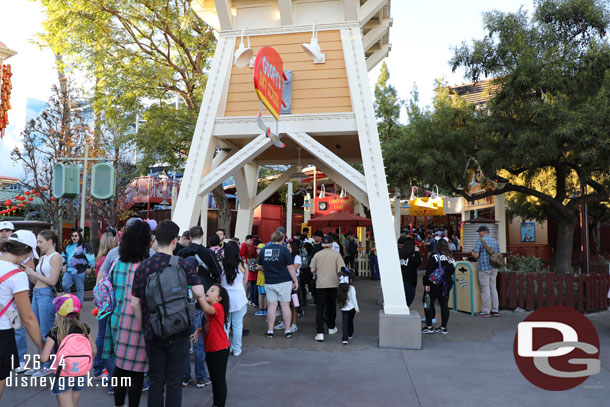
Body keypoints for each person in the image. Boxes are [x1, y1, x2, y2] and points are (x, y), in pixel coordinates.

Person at [131, 220, 205, 407]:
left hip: (153, 331)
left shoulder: (143, 268)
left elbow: (135, 303)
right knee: (174, 382)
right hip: (179, 330)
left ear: (156, 240)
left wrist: (146, 325)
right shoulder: (182, 264)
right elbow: (199, 293)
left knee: (156, 381)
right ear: (174, 241)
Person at [102, 219, 152, 407]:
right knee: (136, 370)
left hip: (117, 319)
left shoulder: (117, 263)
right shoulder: (146, 266)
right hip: (138, 321)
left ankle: (118, 404)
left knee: (120, 367)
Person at [0, 231, 44, 400]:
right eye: (28, 254)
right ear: (25, 249)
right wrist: (41, 345)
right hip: (2, 335)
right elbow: (28, 318)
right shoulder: (17, 275)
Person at [177, 225, 219, 388]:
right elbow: (217, 271)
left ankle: (185, 376)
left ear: (189, 237)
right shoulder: (207, 253)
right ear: (202, 236)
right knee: (199, 339)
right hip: (201, 299)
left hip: (182, 300)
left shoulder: (180, 253)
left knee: (185, 341)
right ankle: (201, 376)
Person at [41, 293, 95, 407]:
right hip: (81, 372)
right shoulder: (84, 328)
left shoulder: (55, 332)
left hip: (63, 373)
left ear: (58, 313)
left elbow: (44, 358)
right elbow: (94, 350)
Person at [22, 230, 62, 376]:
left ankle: (49, 364)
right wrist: (29, 272)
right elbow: (37, 280)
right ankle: (43, 363)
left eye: (40, 242)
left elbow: (53, 281)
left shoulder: (56, 257)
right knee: (36, 331)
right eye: (37, 242)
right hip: (38, 294)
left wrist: (33, 273)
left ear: (50, 241)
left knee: (46, 331)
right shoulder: (44, 257)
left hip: (46, 295)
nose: (38, 245)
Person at [192, 284, 230, 407]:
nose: (208, 291)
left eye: (212, 291)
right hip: (211, 349)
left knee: (219, 380)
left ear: (219, 298)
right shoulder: (209, 308)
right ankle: (216, 404)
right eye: (208, 289)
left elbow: (208, 309)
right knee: (214, 379)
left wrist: (199, 296)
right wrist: (200, 331)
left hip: (220, 349)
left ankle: (219, 404)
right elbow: (211, 326)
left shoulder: (217, 307)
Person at [257, 231, 298, 339]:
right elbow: (290, 267)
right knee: (285, 305)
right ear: (282, 239)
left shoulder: (264, 250)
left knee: (272, 306)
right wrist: (295, 281)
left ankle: (270, 331)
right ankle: (287, 330)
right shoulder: (284, 250)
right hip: (284, 281)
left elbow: (259, 266)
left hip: (270, 281)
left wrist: (268, 270)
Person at [92, 227, 118, 381]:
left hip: (101, 300)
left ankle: (98, 366)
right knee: (103, 334)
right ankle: (99, 366)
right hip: (107, 301)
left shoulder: (100, 258)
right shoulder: (109, 259)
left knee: (102, 333)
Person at [310, 235, 345, 341]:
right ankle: (331, 327)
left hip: (320, 284)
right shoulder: (336, 255)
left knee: (320, 308)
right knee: (331, 306)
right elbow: (341, 269)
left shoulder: (317, 255)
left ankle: (320, 332)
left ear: (322, 244)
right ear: (331, 244)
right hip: (333, 284)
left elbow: (312, 270)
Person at [219, 241, 248, 356]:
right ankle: (236, 349)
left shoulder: (221, 264)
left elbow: (219, 281)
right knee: (237, 324)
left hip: (225, 297)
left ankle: (225, 347)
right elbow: (245, 282)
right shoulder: (243, 265)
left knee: (226, 324)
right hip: (239, 297)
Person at [422, 239, 456, 335]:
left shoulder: (434, 256)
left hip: (434, 283)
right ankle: (443, 327)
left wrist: (427, 284)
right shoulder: (451, 257)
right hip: (446, 284)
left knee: (428, 302)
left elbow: (428, 271)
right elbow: (452, 271)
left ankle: (429, 326)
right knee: (444, 305)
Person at [470, 225, 501, 318]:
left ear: (484, 232)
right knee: (493, 288)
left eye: (479, 232)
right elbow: (498, 253)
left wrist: (471, 252)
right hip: (494, 267)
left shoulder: (480, 240)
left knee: (485, 289)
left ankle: (486, 311)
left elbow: (475, 256)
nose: (479, 234)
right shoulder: (495, 241)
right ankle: (495, 310)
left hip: (484, 268)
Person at [62, 229, 95, 303]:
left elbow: (90, 256)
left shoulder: (84, 245)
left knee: (79, 289)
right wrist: (63, 265)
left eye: (76, 236)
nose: (74, 237)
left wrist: (89, 267)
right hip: (69, 270)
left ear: (79, 236)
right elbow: (63, 255)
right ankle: (69, 301)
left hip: (81, 270)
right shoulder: (68, 246)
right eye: (72, 236)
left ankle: (79, 304)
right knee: (65, 285)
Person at [275, 240, 301, 333]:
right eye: (287, 246)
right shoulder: (284, 256)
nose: (288, 248)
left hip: (294, 282)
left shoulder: (297, 257)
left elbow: (293, 269)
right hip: (284, 281)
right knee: (283, 303)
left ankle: (294, 324)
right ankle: (284, 322)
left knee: (294, 304)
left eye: (290, 247)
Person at [337, 269, 359, 344]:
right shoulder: (351, 288)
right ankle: (350, 333)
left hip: (344, 308)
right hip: (352, 308)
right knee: (350, 321)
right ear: (350, 280)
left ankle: (344, 338)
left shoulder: (340, 288)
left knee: (344, 322)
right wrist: (357, 308)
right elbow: (353, 299)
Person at [398, 236, 422, 306]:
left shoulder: (399, 256)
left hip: (400, 280)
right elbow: (418, 262)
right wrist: (417, 252)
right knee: (408, 301)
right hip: (410, 281)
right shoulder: (411, 259)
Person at [240, 235, 258, 307]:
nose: (251, 242)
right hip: (246, 266)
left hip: (247, 266)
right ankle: (246, 297)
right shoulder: (244, 245)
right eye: (250, 240)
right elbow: (242, 255)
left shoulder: (247, 246)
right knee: (247, 284)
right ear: (246, 240)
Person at [254, 244, 267, 317]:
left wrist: (257, 268)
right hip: (263, 278)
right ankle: (264, 310)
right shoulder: (266, 257)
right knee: (265, 295)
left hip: (261, 278)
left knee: (261, 295)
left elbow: (260, 267)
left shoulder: (260, 257)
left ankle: (261, 310)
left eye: (258, 249)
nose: (256, 250)